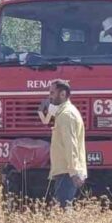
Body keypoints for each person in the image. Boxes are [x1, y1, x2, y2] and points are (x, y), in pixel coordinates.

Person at [37, 80, 86, 208]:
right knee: (63, 208)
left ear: (63, 94)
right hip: (66, 170)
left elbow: (71, 145)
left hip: (67, 171)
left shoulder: (66, 115)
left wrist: (74, 172)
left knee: (64, 210)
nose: (50, 96)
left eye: (52, 93)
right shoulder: (65, 113)